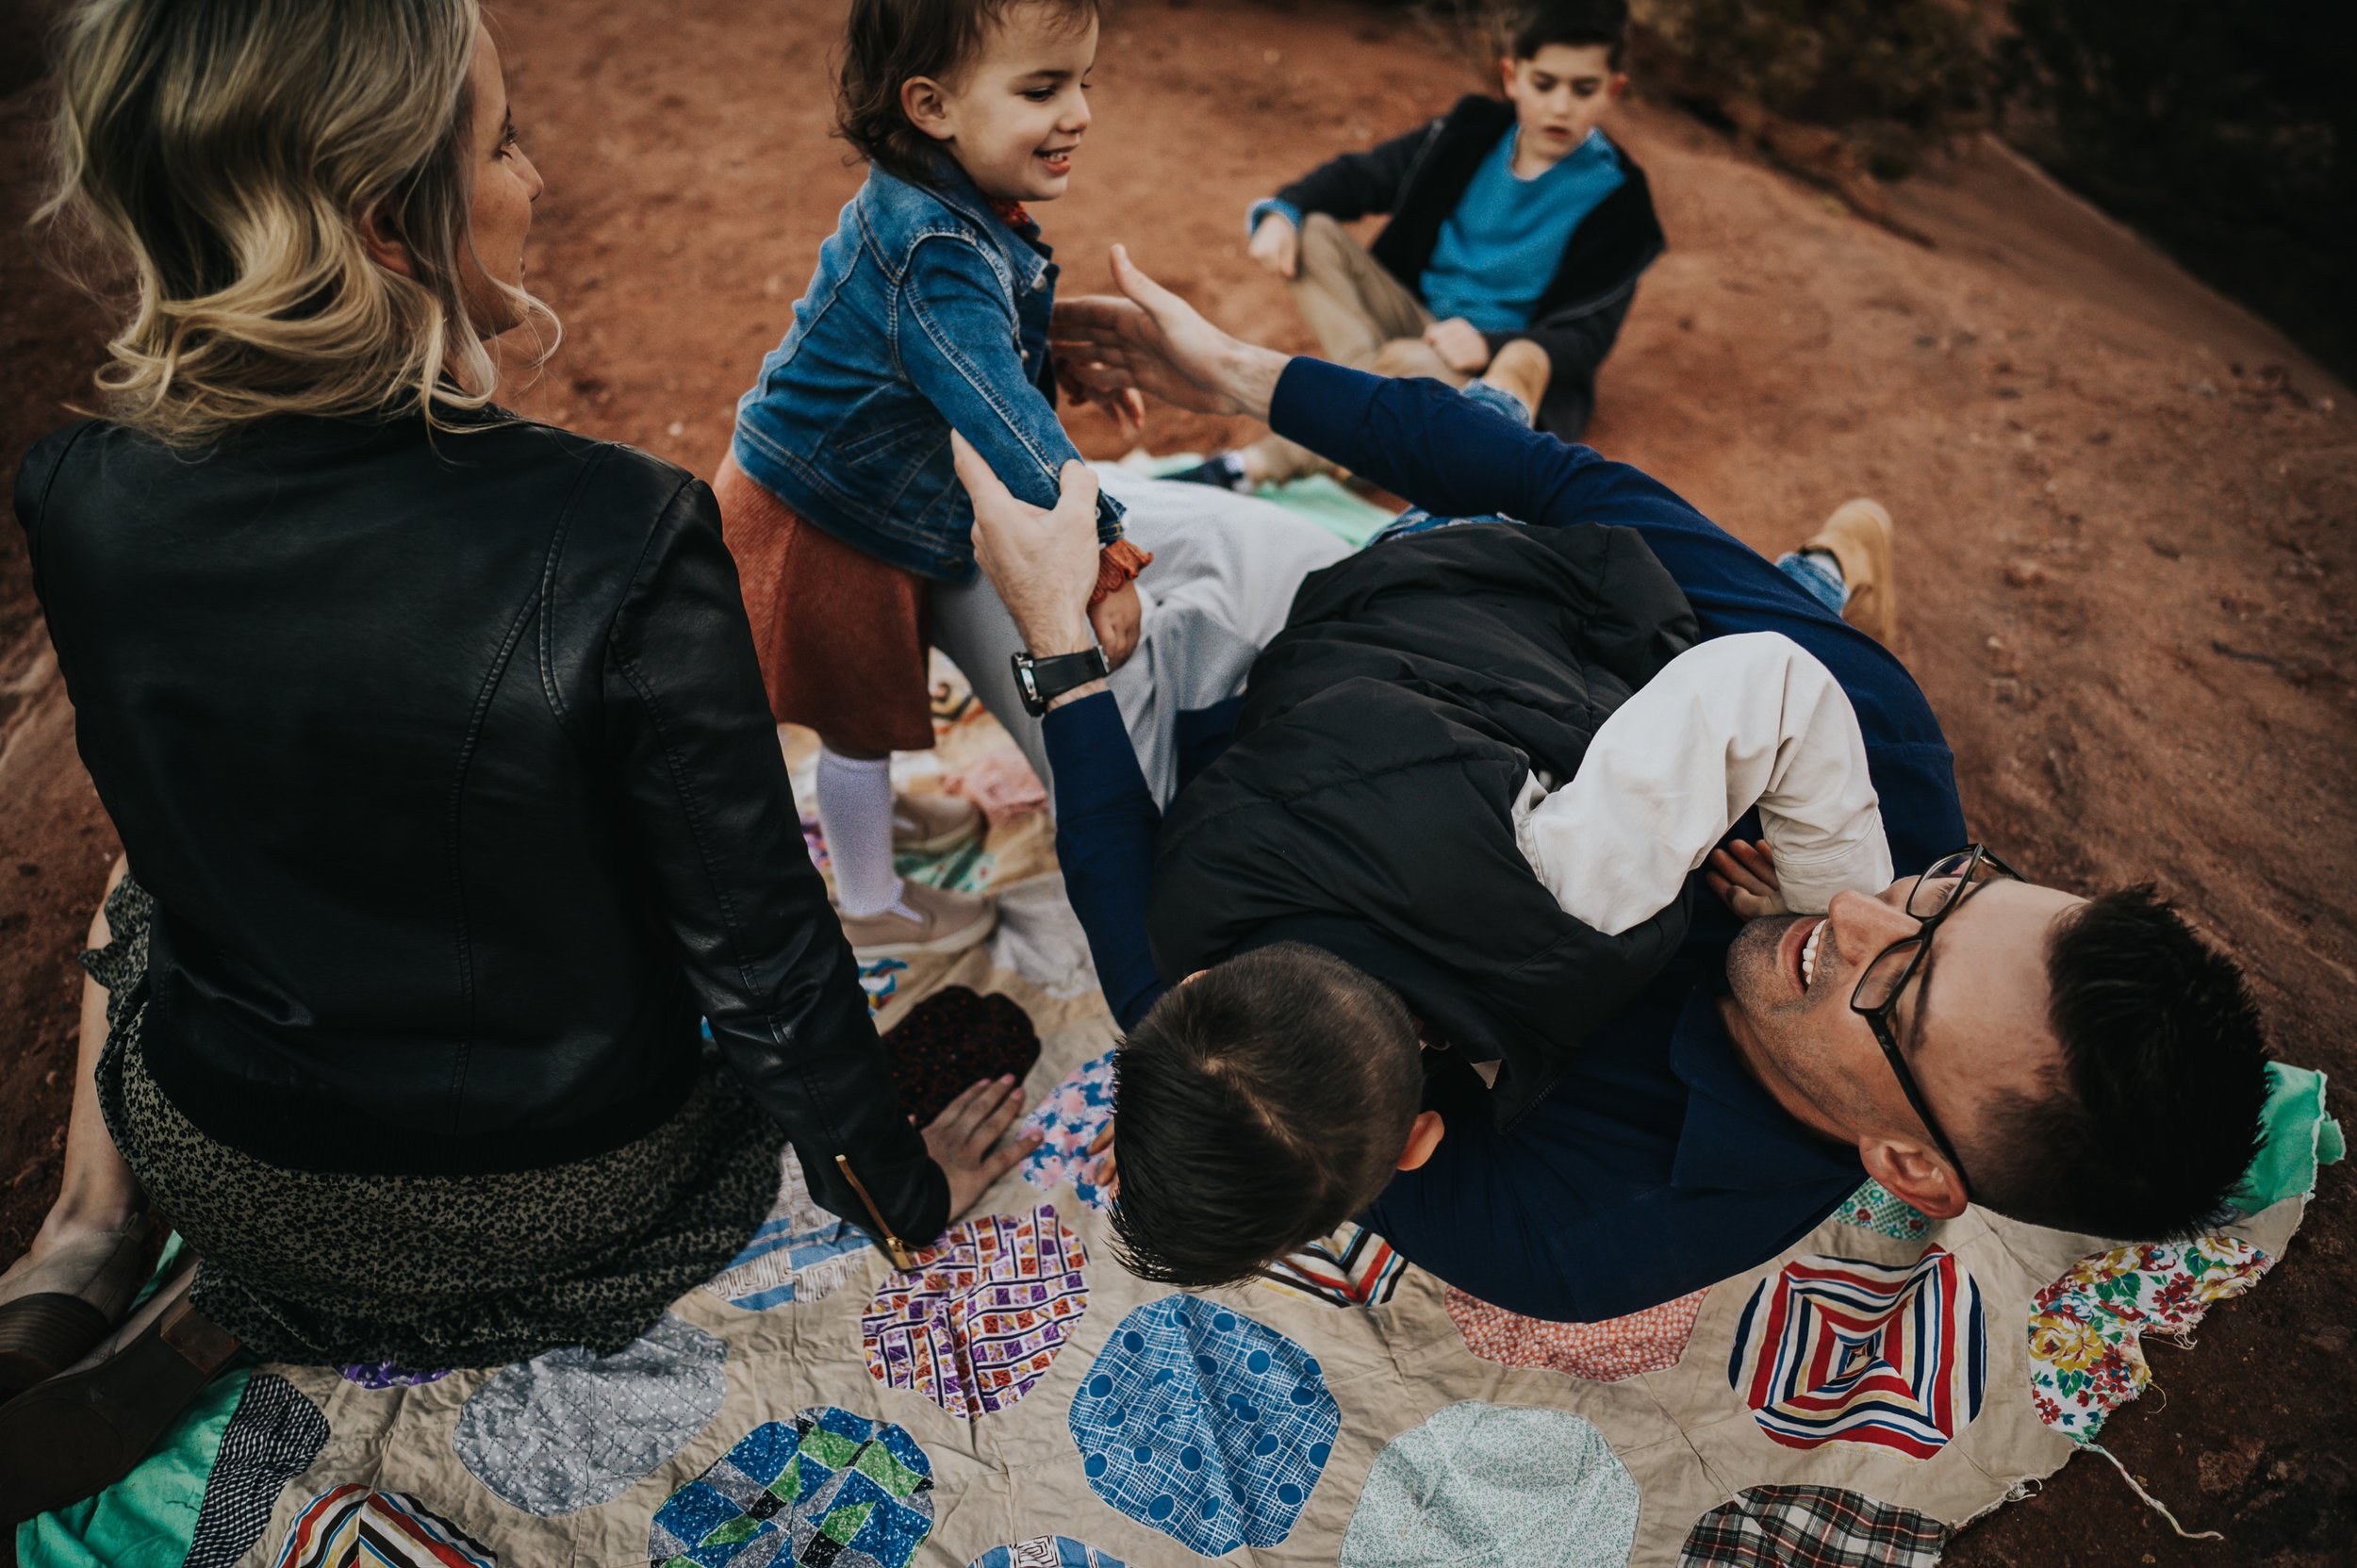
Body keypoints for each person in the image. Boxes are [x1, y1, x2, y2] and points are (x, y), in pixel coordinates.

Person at [0, 0, 1032, 1514]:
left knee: (137, 878)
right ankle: (233, 1282)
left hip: (240, 1155)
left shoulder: (78, 491)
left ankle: (85, 1243)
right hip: (564, 1189)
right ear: (386, 226)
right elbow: (756, 947)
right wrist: (899, 1183)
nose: (535, 175)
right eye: (504, 141)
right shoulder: (620, 531)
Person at [954, 245, 2272, 1320]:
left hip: (1191, 765)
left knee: (948, 540)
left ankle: (1802, 569)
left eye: (1900, 980)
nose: (1860, 912)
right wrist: (1236, 371)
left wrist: (1065, 660)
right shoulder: (1885, 757)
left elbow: (1206, 1034)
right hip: (1377, 614)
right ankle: (1808, 575)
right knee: (1040, 483)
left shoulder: (1583, 1220)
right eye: (1948, 891)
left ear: (1912, 1165)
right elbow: (1566, 486)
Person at [716, 0, 1151, 963]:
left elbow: (972, 357)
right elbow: (1005, 421)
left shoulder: (942, 197)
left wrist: (1054, 358)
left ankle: (872, 817)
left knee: (860, 709)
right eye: (1042, 89)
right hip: (826, 513)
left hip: (845, 489)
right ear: (932, 106)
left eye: (1083, 82)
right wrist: (1105, 554)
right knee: (854, 716)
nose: (1077, 112)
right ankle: (868, 897)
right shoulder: (938, 247)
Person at [1170, 0, 1662, 491]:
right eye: (1544, 83)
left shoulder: (1622, 201)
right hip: (1407, 320)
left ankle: (1250, 466)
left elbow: (1584, 340)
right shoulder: (1470, 131)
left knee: (1410, 367)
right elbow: (1365, 175)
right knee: (1314, 233)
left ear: (1612, 91)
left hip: (1488, 367)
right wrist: (1283, 211)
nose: (1560, 105)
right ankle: (1375, 401)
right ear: (1512, 77)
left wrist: (1488, 344)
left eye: (1583, 89)